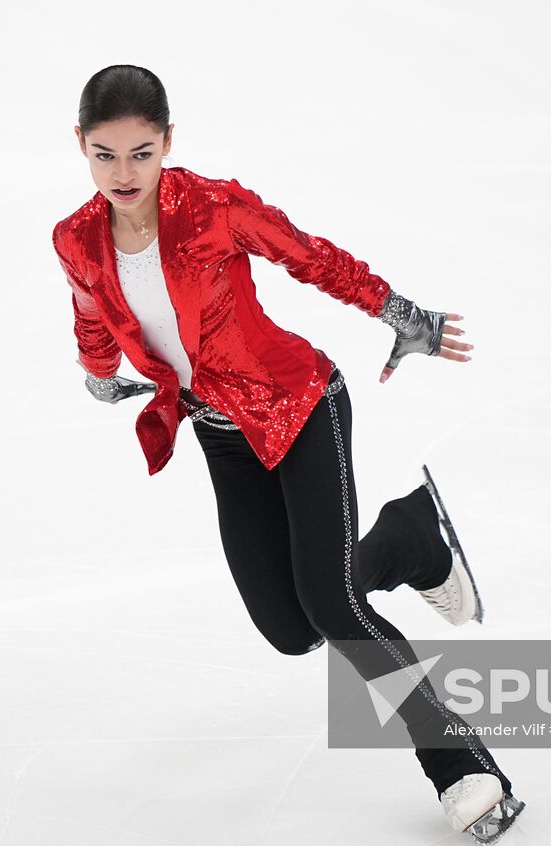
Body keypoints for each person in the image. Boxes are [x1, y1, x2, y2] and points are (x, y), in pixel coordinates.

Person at [51, 64, 525, 842]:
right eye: (105, 154)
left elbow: (311, 256)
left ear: (168, 141)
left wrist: (400, 313)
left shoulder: (212, 207)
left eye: (141, 152)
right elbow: (92, 311)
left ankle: (464, 769)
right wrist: (98, 372)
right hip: (221, 434)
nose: (124, 172)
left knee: (334, 606)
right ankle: (408, 540)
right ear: (81, 145)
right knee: (292, 626)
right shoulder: (75, 237)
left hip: (302, 408)